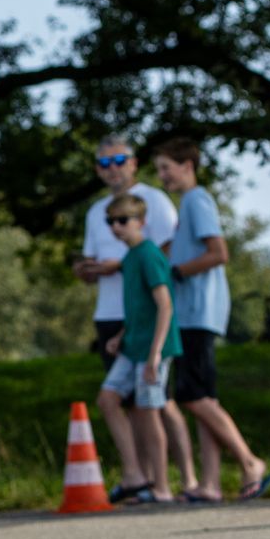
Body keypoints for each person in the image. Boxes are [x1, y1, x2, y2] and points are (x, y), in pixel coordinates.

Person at [151, 134, 270, 501]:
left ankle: (250, 462)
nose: (162, 177)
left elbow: (218, 252)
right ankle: (211, 483)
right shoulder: (188, 205)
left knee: (193, 396)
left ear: (188, 165)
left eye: (166, 169)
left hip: (197, 312)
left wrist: (177, 273)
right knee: (204, 398)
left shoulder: (197, 200)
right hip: (194, 312)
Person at [74, 134, 195, 500]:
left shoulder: (154, 203)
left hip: (151, 321)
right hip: (118, 317)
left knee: (159, 402)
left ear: (132, 162)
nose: (117, 227)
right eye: (104, 163)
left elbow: (169, 254)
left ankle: (180, 480)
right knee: (127, 401)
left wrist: (128, 267)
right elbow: (94, 255)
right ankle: (139, 477)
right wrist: (93, 269)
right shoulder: (96, 212)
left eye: (119, 160)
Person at [97, 193, 181, 502]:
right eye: (110, 222)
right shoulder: (129, 259)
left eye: (122, 221)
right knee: (108, 399)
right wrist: (121, 334)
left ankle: (162, 486)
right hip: (132, 343)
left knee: (148, 412)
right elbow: (138, 307)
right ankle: (134, 474)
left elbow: (165, 305)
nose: (116, 227)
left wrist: (155, 354)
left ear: (141, 222)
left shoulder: (148, 255)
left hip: (151, 348)